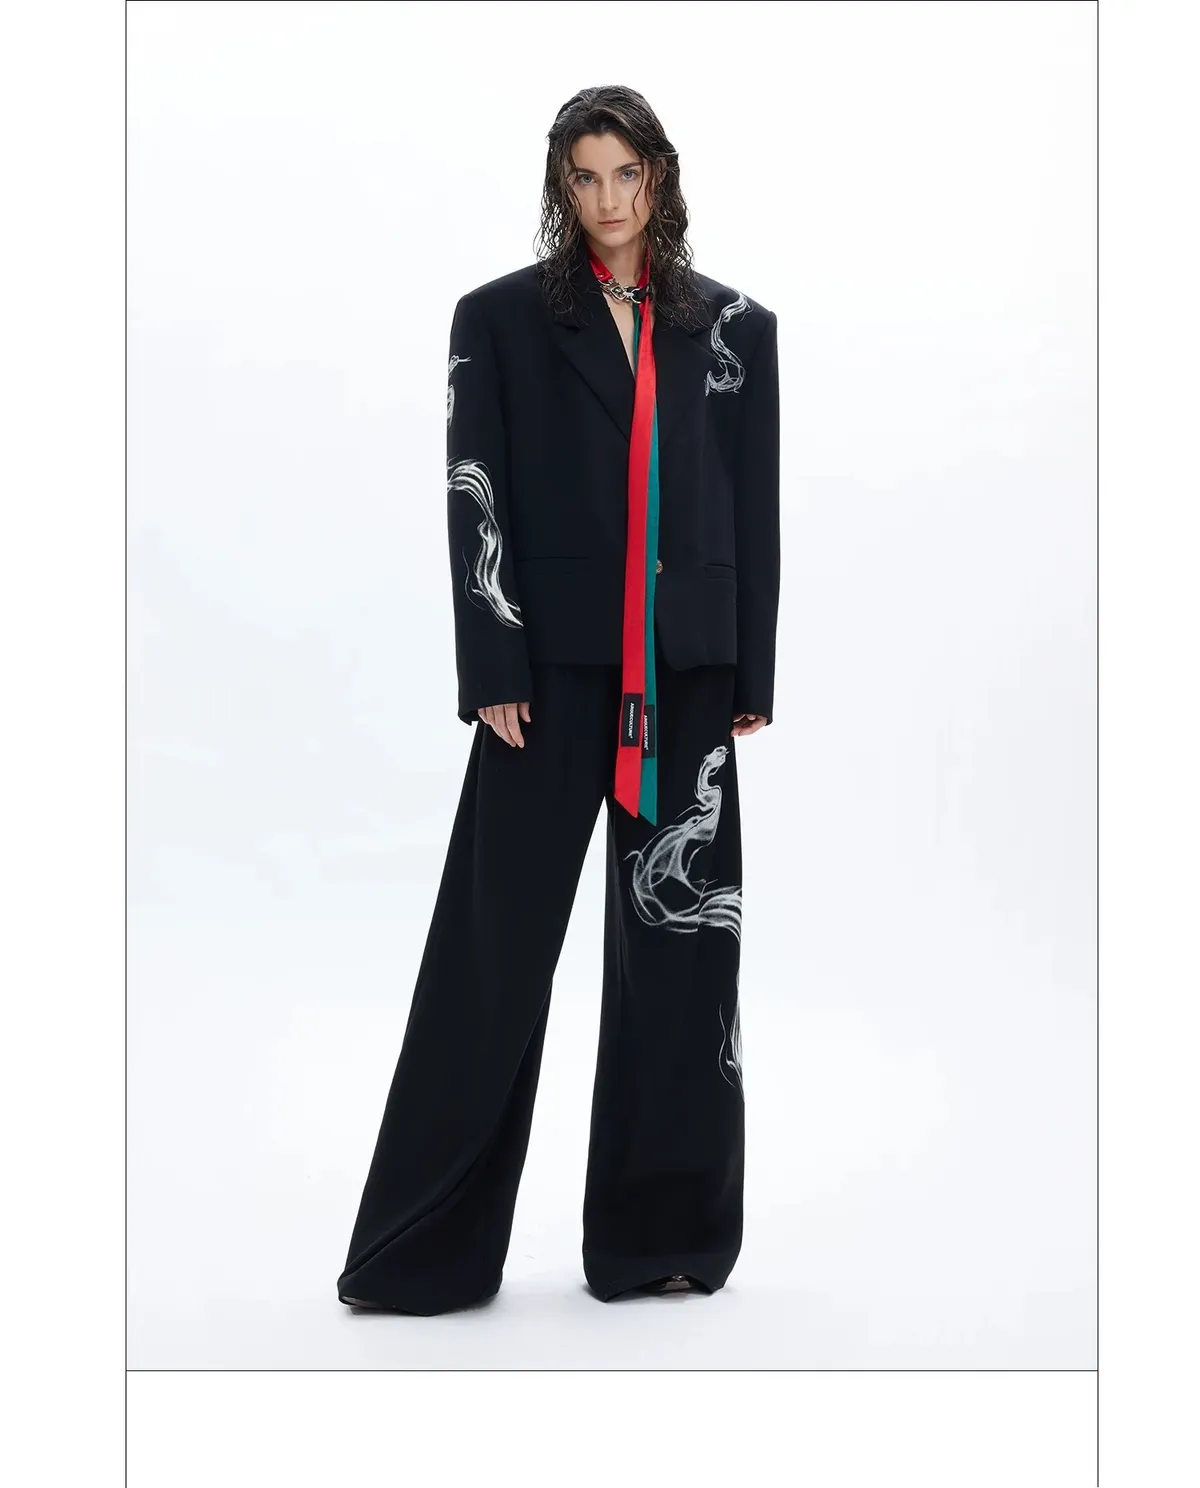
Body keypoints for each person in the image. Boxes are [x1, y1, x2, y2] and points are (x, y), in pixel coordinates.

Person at [337, 84, 780, 1313]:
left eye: (624, 174)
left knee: (683, 960)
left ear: (659, 177)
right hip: (546, 680)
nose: (606, 200)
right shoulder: (500, 321)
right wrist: (492, 667)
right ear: (560, 185)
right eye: (583, 177)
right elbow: (473, 489)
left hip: (686, 677)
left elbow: (754, 507)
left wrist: (749, 672)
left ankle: (664, 1237)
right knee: (492, 959)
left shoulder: (736, 329)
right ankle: (421, 1251)